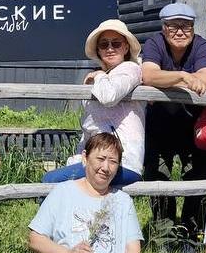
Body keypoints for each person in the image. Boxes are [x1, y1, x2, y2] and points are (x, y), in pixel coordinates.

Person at [139, 2, 206, 242]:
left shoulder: (201, 44)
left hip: (192, 127)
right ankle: (164, 234)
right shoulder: (154, 43)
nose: (180, 31)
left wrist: (167, 80)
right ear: (164, 28)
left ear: (193, 28)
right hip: (158, 126)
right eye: (173, 26)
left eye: (186, 26)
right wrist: (183, 76)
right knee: (157, 177)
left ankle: (192, 232)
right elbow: (149, 75)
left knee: (198, 177)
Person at [43, 20, 145, 185]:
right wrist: (79, 157)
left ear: (126, 47)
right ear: (98, 50)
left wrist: (98, 76)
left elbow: (109, 96)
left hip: (123, 161)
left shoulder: (129, 69)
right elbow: (90, 126)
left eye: (116, 43)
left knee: (51, 181)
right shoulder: (103, 76)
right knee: (61, 185)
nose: (110, 48)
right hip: (96, 159)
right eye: (104, 45)